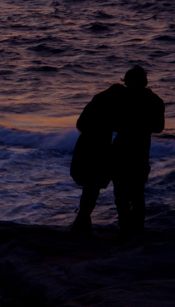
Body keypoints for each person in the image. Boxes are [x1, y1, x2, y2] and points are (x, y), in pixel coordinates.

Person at [70, 65, 164, 238]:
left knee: (120, 194)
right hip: (140, 149)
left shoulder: (121, 97)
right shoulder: (154, 100)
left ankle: (124, 228)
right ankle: (135, 231)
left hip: (120, 148)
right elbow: (159, 127)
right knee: (136, 193)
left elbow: (95, 121)